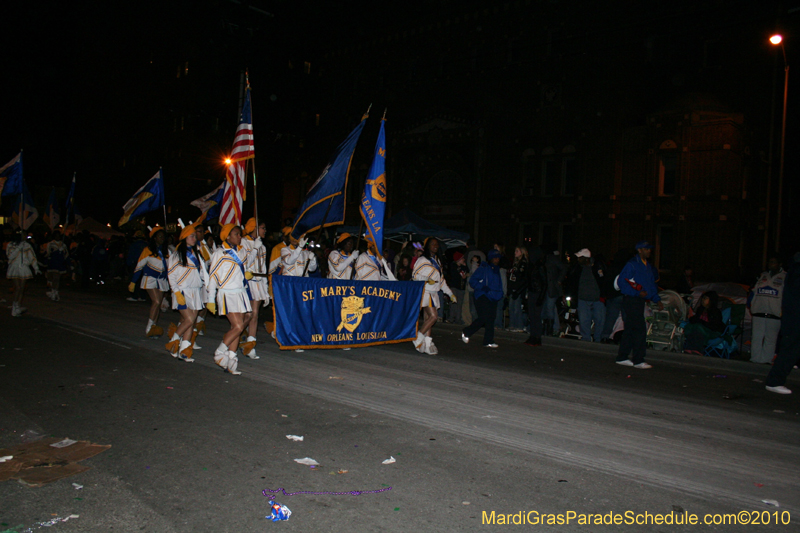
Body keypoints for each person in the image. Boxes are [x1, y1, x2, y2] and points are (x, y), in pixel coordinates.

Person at [206, 224, 252, 375]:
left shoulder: (242, 251)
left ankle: (231, 361)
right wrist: (210, 299)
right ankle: (219, 353)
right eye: (237, 234)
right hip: (227, 293)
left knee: (241, 323)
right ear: (227, 236)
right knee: (238, 327)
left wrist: (246, 275)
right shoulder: (220, 253)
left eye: (240, 234)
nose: (240, 237)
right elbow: (212, 277)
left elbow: (244, 267)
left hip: (240, 292)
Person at [166, 220, 208, 362]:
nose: (194, 238)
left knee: (191, 321)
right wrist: (176, 292)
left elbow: (202, 273)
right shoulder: (177, 255)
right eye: (191, 236)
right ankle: (174, 341)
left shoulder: (198, 254)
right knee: (189, 319)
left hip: (196, 291)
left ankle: (184, 351)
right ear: (184, 238)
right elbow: (171, 275)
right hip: (182, 291)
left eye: (194, 236)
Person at [615, 241, 661, 369]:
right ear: (639, 250)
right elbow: (622, 283)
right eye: (646, 249)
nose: (649, 251)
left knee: (630, 330)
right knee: (640, 329)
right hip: (631, 300)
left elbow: (651, 285)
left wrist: (657, 299)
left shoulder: (647, 267)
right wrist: (637, 292)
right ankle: (639, 360)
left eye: (649, 249)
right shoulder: (632, 264)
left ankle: (622, 357)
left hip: (639, 301)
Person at [412, 237, 456, 354]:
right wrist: (426, 280)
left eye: (437, 244)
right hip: (425, 292)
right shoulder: (422, 260)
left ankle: (426, 344)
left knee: (428, 320)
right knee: (433, 317)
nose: (435, 246)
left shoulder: (437, 261)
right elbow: (415, 276)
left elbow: (441, 281)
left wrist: (450, 293)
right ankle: (418, 337)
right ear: (427, 246)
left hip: (434, 293)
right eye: (432, 244)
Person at [765, 252, 800, 394]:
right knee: (790, 348)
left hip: (793, 317)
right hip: (795, 318)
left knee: (792, 348)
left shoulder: (794, 271)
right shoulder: (797, 271)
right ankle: (774, 381)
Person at [129, 227, 169, 336]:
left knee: (158, 303)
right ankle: (149, 325)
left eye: (163, 236)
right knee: (156, 301)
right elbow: (139, 267)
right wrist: (133, 282)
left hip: (162, 280)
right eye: (159, 236)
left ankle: (153, 326)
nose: (162, 238)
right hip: (150, 278)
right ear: (154, 238)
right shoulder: (147, 250)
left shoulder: (167, 251)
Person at [240, 218, 270, 360]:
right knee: (247, 315)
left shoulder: (262, 247)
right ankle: (235, 336)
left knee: (255, 314)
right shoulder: (243, 242)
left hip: (258, 282)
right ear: (254, 228)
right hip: (247, 282)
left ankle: (250, 344)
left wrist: (266, 291)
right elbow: (245, 263)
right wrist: (255, 248)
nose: (265, 231)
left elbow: (263, 269)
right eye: (262, 228)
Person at [462, 249, 504, 348]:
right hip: (483, 295)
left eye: (498, 258)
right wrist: (482, 288)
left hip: (493, 296)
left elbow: (499, 285)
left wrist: (500, 294)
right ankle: (467, 331)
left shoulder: (497, 270)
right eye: (495, 257)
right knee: (484, 317)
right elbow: (473, 281)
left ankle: (488, 340)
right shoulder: (484, 268)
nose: (496, 259)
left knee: (490, 319)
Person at [748, 256, 785, 364]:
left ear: (780, 264)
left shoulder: (785, 277)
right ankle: (755, 360)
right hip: (759, 311)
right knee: (756, 337)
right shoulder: (763, 275)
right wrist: (751, 305)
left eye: (773, 262)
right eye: (769, 262)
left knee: (770, 339)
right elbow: (754, 291)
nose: (770, 264)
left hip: (775, 313)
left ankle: (766, 360)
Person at [574, 248, 605, 343]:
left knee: (599, 320)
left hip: (597, 299)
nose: (578, 259)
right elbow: (573, 282)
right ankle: (586, 339)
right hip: (583, 298)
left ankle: (598, 339)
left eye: (580, 257)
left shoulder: (597, 266)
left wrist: (603, 295)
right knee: (584, 321)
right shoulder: (578, 268)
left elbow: (603, 281)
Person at [6, 232, 41, 316]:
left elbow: (32, 256)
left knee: (22, 288)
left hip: (24, 267)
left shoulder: (27, 245)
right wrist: (18, 248)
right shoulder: (10, 244)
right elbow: (10, 256)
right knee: (17, 287)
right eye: (24, 235)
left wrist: (36, 267)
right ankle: (14, 307)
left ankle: (18, 306)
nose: (26, 237)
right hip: (14, 267)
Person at [524, 247, 547, 346]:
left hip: (538, 293)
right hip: (532, 292)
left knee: (536, 316)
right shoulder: (531, 265)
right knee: (532, 316)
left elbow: (544, 283)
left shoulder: (540, 266)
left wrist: (541, 297)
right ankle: (533, 336)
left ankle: (537, 337)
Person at [542, 247, 565, 336]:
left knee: (550, 308)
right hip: (547, 287)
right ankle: (552, 328)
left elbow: (563, 268)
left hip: (551, 288)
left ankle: (551, 330)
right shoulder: (546, 259)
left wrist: (558, 281)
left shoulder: (552, 259)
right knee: (549, 308)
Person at [507, 247, 529, 332]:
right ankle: (512, 325)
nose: (515, 252)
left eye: (517, 251)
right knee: (511, 307)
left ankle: (519, 326)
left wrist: (518, 289)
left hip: (518, 289)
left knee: (517, 308)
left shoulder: (523, 264)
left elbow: (522, 278)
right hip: (513, 287)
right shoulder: (515, 263)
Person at [45, 231, 69, 301]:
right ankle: (52, 291)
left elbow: (66, 255)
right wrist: (56, 252)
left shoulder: (63, 245)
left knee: (57, 278)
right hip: (52, 263)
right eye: (56, 236)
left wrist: (69, 264)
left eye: (59, 236)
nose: (57, 237)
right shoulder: (50, 244)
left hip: (59, 264)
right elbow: (48, 253)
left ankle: (55, 292)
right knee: (51, 278)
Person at [446, 252, 468, 325]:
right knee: (454, 303)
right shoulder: (453, 266)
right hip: (454, 287)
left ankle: (458, 319)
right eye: (462, 258)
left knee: (460, 304)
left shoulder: (463, 266)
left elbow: (467, 272)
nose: (464, 260)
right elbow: (455, 275)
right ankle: (451, 318)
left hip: (461, 288)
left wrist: (464, 267)